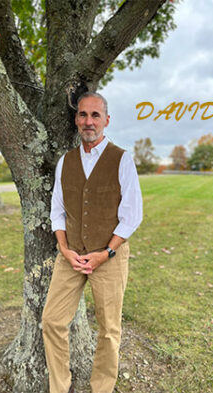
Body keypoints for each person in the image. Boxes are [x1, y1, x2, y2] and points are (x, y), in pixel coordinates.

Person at [42, 92, 143, 393]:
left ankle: (102, 389)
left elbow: (132, 216)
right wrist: (63, 248)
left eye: (95, 115)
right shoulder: (66, 161)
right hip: (70, 255)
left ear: (106, 120)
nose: (89, 121)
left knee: (109, 331)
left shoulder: (122, 159)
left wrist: (106, 253)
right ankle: (62, 388)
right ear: (76, 120)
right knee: (52, 321)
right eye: (83, 115)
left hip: (109, 257)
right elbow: (57, 210)